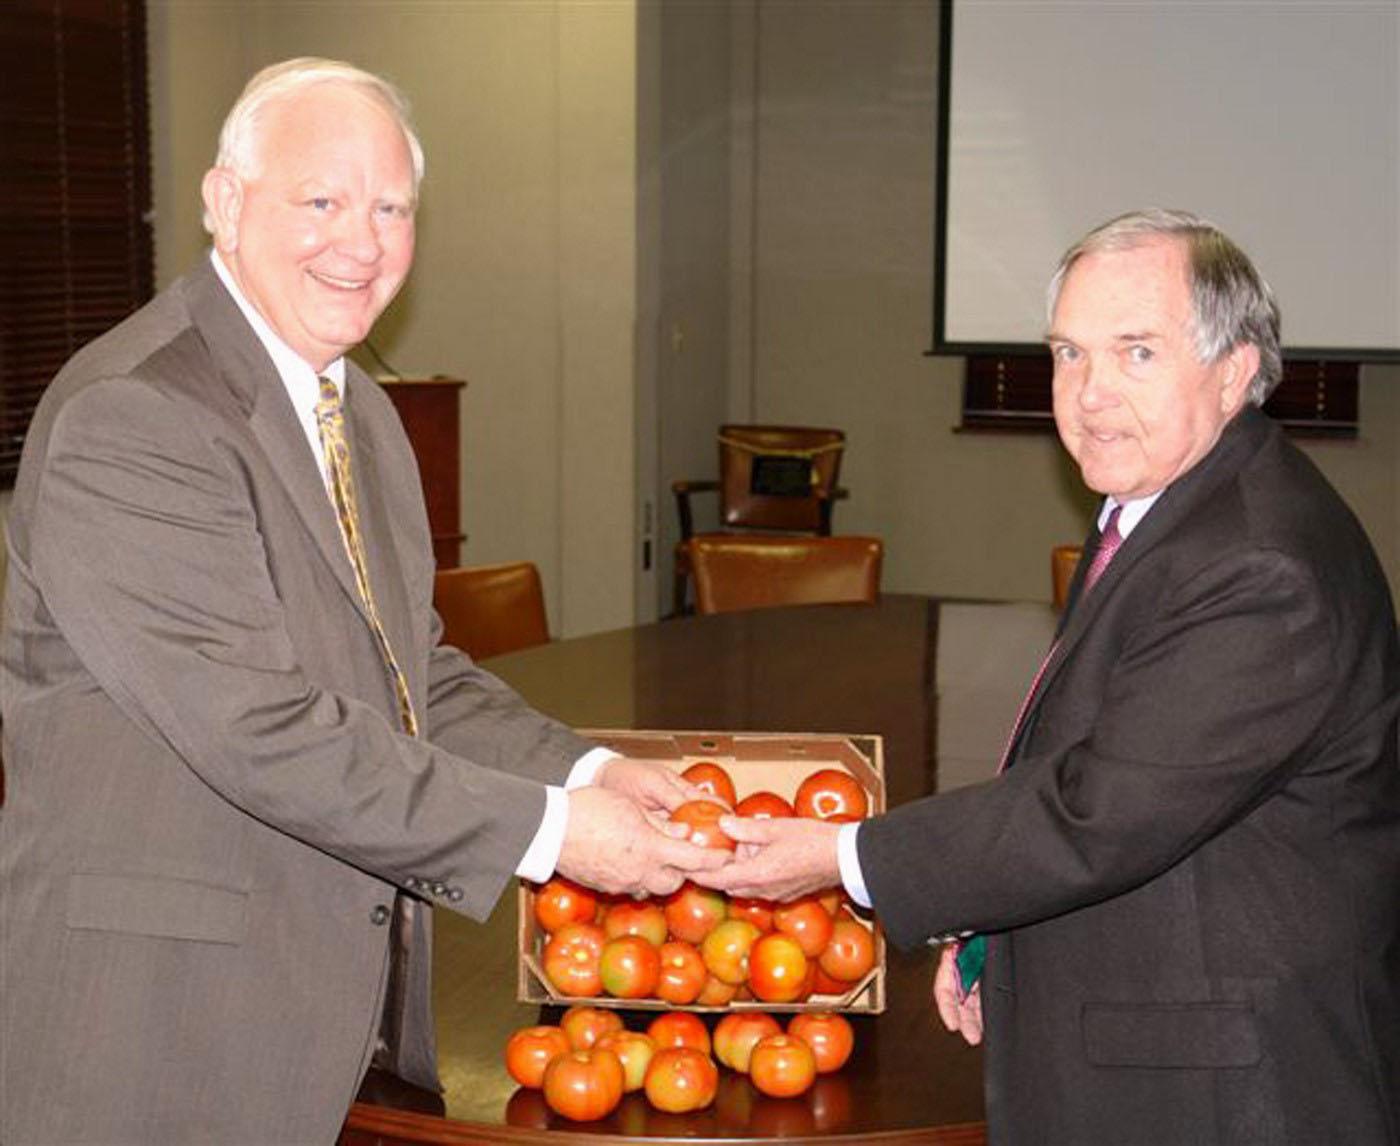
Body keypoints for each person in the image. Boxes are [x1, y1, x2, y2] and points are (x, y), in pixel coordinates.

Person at [0, 58, 723, 1144]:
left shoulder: (361, 413)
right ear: (224, 203)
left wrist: (589, 769)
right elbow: (256, 730)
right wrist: (551, 831)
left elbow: (408, 671)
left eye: (390, 207)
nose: (363, 241)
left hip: (315, 1013)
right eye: (322, 200)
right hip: (158, 1031)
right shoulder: (134, 417)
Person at [704, 210, 1400, 1144]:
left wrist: (842, 859)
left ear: (1234, 371)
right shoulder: (1170, 507)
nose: (1090, 394)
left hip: (1230, 1090)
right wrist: (992, 928)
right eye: (1069, 355)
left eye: (1137, 353)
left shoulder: (1258, 564)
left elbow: (1100, 811)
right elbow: (1111, 761)